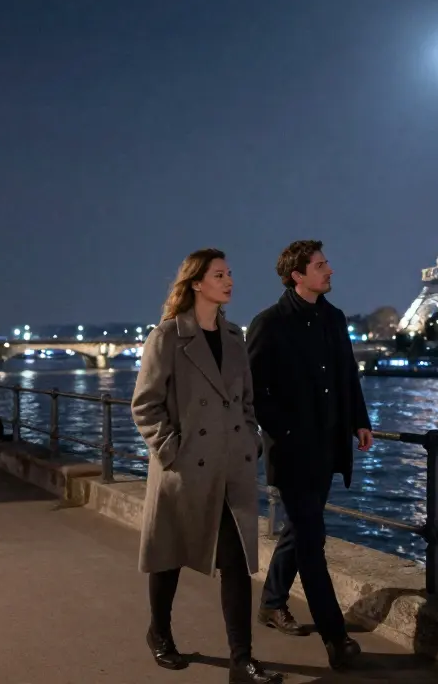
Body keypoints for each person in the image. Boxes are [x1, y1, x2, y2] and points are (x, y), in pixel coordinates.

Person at [130, 248, 282, 684]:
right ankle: (159, 632)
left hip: (231, 466)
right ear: (197, 283)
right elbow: (145, 405)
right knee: (169, 557)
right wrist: (171, 450)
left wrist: (249, 439)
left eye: (230, 273)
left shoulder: (235, 337)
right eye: (220, 274)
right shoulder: (167, 337)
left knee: (235, 565)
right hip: (185, 468)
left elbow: (247, 401)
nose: (230, 281)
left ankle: (242, 660)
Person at [245, 240, 373, 671]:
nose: (330, 270)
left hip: (328, 446)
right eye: (321, 265)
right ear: (297, 275)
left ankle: (272, 602)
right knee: (312, 540)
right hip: (294, 451)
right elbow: (255, 392)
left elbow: (346, 375)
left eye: (327, 263)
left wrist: (360, 419)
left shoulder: (334, 319)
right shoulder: (269, 324)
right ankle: (336, 639)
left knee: (302, 529)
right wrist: (284, 431)